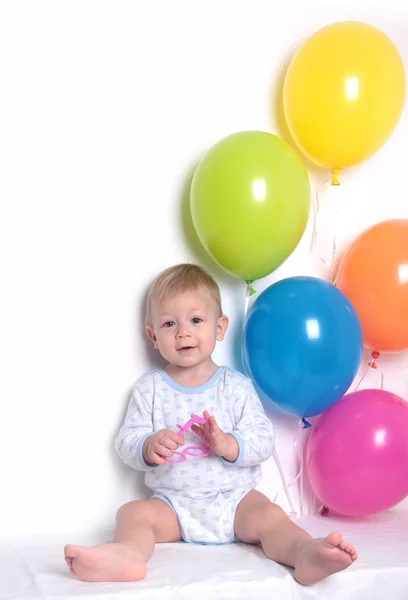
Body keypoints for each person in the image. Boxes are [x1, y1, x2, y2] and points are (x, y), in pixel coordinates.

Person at [64, 263, 357, 585]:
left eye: (196, 320)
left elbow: (262, 438)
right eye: (169, 323)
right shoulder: (150, 389)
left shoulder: (235, 386)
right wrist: (147, 446)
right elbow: (126, 441)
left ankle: (304, 553)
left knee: (271, 516)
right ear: (153, 336)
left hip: (235, 500)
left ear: (219, 328)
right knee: (132, 513)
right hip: (174, 505)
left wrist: (228, 445)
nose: (183, 332)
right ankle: (127, 554)